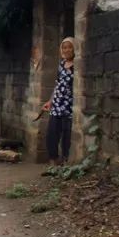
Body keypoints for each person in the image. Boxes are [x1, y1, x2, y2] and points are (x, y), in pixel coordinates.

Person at [43, 37, 75, 165]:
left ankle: (66, 162)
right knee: (52, 134)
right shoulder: (61, 64)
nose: (66, 50)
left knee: (67, 136)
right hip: (56, 104)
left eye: (69, 47)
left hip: (69, 106)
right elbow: (57, 84)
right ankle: (53, 161)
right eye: (64, 47)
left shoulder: (77, 65)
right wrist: (50, 101)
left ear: (74, 49)